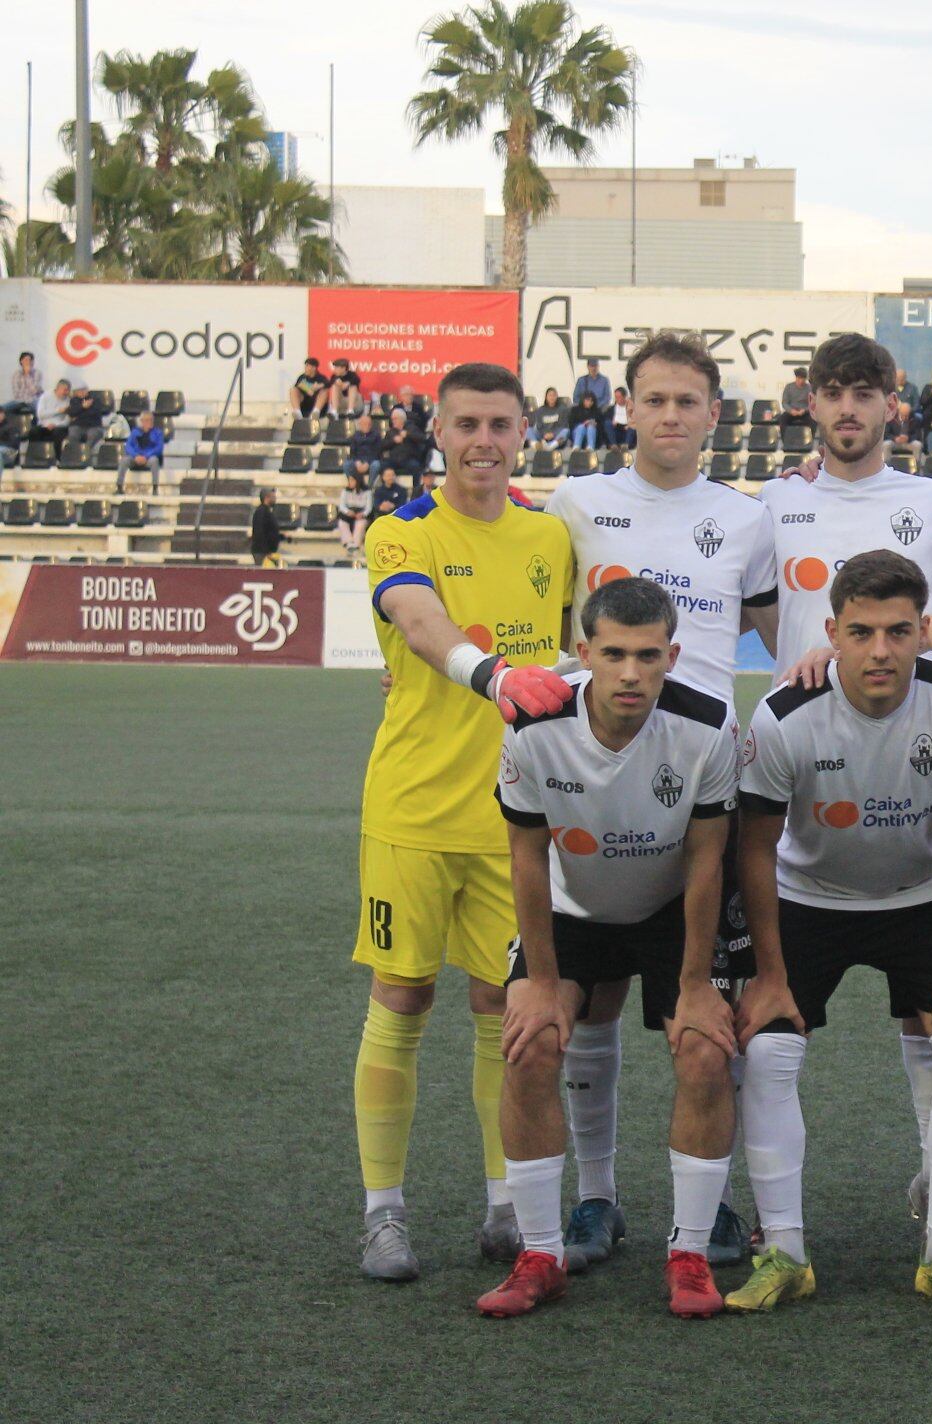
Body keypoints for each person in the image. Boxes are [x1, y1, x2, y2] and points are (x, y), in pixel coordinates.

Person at [538, 329, 780, 1272]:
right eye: (655, 399)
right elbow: (540, 625)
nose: (671, 415)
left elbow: (786, 634)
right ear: (627, 407)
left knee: (710, 1016)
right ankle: (596, 1198)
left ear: (714, 415)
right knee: (590, 1004)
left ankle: (708, 1202)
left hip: (707, 788)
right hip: (595, 783)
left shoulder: (748, 519)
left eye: (688, 401)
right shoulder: (577, 504)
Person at [731, 550, 932, 1314]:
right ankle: (784, 1253)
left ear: (923, 631)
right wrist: (769, 973)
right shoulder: (783, 715)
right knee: (768, 1050)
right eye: (861, 633)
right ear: (832, 633)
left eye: (897, 632)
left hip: (922, 897)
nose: (880, 651)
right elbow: (755, 850)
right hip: (808, 899)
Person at [350, 360, 576, 1283]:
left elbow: (573, 647)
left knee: (501, 1010)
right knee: (402, 997)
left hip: (511, 820)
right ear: (438, 432)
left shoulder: (550, 535)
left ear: (524, 433)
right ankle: (383, 1213)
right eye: (467, 424)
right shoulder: (400, 531)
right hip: (411, 811)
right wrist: (492, 675)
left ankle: (505, 1204)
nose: (484, 440)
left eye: (500, 424)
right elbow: (417, 621)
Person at [759, 333, 932, 1191]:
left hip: (910, 760)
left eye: (865, 393)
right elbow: (756, 612)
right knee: (771, 1020)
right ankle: (766, 1207)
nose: (848, 408)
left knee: (928, 1008)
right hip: (805, 767)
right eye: (834, 392)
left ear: (891, 405)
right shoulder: (772, 503)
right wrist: (815, 667)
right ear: (811, 403)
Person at [476, 576, 743, 1320]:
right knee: (530, 1044)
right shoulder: (534, 723)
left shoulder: (708, 724)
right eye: (615, 654)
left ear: (671, 657)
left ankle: (690, 1256)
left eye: (648, 656)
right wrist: (539, 981)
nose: (631, 673)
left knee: (705, 1051)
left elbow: (708, 860)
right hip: (572, 909)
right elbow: (527, 858)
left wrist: (697, 984)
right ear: (583, 651)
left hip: (669, 908)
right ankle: (541, 1254)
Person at [120, 411, 165, 494]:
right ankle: (119, 486)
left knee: (154, 460)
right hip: (135, 458)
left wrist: (146, 456)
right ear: (142, 421)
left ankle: (155, 488)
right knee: (124, 460)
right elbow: (128, 446)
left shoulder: (158, 433)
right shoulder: (135, 432)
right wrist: (136, 456)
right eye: (147, 420)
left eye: (151, 420)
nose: (150, 422)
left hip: (148, 458)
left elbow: (159, 448)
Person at [573, 358, 613, 445]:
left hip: (599, 410)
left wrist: (594, 405)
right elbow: (575, 397)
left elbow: (607, 397)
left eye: (595, 366)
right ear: (588, 367)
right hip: (584, 411)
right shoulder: (582, 380)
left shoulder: (604, 380)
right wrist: (584, 404)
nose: (594, 368)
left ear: (598, 367)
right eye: (592, 366)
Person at [381, 408, 429, 482]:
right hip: (394, 459)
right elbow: (382, 446)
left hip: (408, 459)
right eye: (392, 419)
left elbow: (423, 438)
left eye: (395, 419)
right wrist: (393, 441)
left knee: (416, 467)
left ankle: (416, 488)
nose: (393, 421)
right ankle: (386, 488)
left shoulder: (412, 428)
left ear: (402, 419)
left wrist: (408, 434)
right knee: (384, 466)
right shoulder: (391, 432)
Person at [336, 472, 371, 553]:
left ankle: (356, 544)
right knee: (342, 523)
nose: (350, 482)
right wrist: (347, 512)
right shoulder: (345, 491)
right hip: (349, 512)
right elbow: (342, 505)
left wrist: (363, 514)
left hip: (361, 513)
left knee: (360, 524)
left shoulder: (367, 491)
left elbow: (369, 507)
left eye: (352, 480)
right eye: (349, 480)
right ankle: (349, 542)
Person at [347, 412, 385, 487]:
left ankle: (368, 487)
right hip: (358, 460)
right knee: (347, 465)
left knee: (376, 465)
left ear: (371, 425)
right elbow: (352, 453)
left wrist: (367, 463)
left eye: (369, 424)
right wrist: (357, 462)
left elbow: (377, 453)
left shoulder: (376, 435)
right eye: (364, 424)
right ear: (360, 425)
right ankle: (355, 485)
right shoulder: (355, 436)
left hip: (371, 460)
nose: (367, 426)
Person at [250, 489, 285, 567]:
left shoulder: (266, 512)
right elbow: (259, 533)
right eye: (273, 497)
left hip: (266, 551)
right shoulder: (262, 512)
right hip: (262, 552)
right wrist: (266, 552)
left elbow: (270, 532)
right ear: (267, 498)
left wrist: (281, 536)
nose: (275, 499)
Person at [34, 380, 72, 444]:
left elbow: (67, 420)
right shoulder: (45, 396)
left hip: (59, 426)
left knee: (58, 432)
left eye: (68, 390)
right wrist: (58, 411)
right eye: (65, 390)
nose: (67, 392)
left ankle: (57, 451)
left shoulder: (69, 401)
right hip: (44, 424)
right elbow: (40, 414)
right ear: (58, 388)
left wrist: (55, 425)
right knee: (34, 432)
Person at [6, 352, 42, 417]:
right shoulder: (16, 374)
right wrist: (25, 396)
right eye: (26, 360)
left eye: (30, 360)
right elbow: (16, 393)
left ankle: (34, 423)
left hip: (32, 400)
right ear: (21, 361)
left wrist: (27, 375)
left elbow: (35, 391)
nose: (28, 362)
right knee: (3, 408)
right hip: (19, 401)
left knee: (39, 410)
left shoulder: (37, 373)